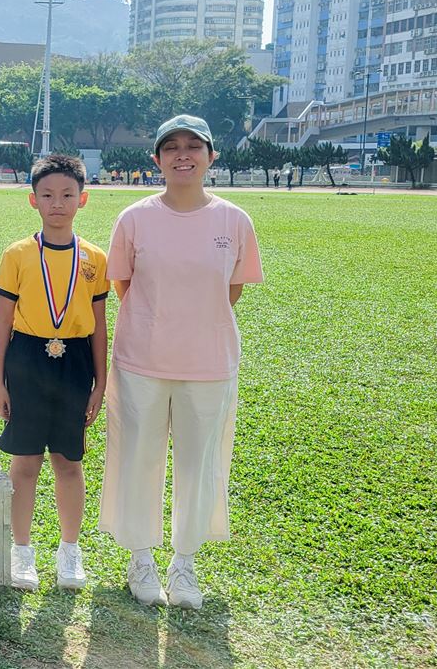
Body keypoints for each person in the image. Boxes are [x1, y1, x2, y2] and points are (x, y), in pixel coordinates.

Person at [99, 115, 264, 610]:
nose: (183, 155)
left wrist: (193, 323)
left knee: (200, 464)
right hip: (142, 361)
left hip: (209, 362)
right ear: (157, 159)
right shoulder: (134, 219)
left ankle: (184, 564)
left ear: (212, 157)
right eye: (171, 147)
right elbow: (124, 285)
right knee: (137, 459)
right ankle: (140, 559)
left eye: (194, 146)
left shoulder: (234, 221)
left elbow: (231, 290)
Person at [0, 154, 109, 591]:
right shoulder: (18, 254)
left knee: (68, 462)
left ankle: (69, 551)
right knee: (25, 462)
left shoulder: (95, 258)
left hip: (75, 362)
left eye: (67, 195)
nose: (57, 203)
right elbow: (2, 322)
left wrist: (100, 383)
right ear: (33, 200)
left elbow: (100, 326)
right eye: (47, 195)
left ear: (83, 199)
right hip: (27, 359)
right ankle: (21, 550)